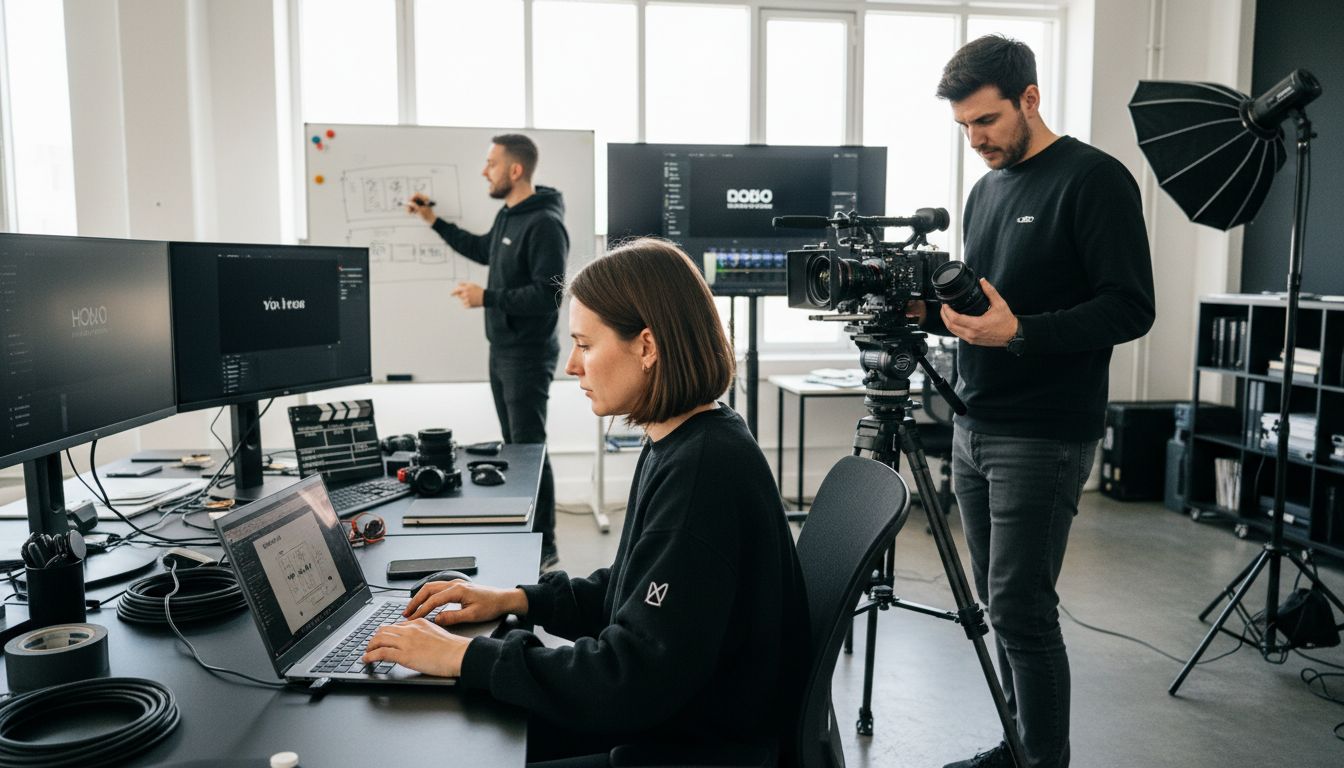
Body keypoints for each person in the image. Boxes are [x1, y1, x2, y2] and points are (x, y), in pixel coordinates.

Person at [362, 238, 809, 766]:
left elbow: (626, 679)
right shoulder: (690, 437)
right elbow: (631, 595)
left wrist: (465, 655)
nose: (572, 365)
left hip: (691, 746)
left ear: (647, 347)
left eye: (585, 344)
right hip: (678, 715)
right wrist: (517, 599)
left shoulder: (701, 472)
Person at [916, 35, 1156, 768]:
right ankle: (1017, 746)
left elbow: (1130, 309)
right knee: (999, 608)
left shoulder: (1095, 179)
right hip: (973, 423)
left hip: (1044, 434)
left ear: (1030, 97)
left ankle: (1042, 760)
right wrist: (922, 313)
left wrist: (1020, 333)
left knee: (1022, 610)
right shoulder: (984, 191)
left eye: (985, 121)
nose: (975, 139)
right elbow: (985, 305)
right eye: (962, 127)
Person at [408, 134, 566, 569]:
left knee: (529, 450)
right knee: (517, 449)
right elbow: (481, 249)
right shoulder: (508, 215)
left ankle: (544, 545)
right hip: (502, 350)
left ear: (515, 170)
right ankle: (529, 537)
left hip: (528, 355)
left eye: (491, 164)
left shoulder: (545, 224)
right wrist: (432, 220)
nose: (484, 171)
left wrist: (488, 297)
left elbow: (549, 296)